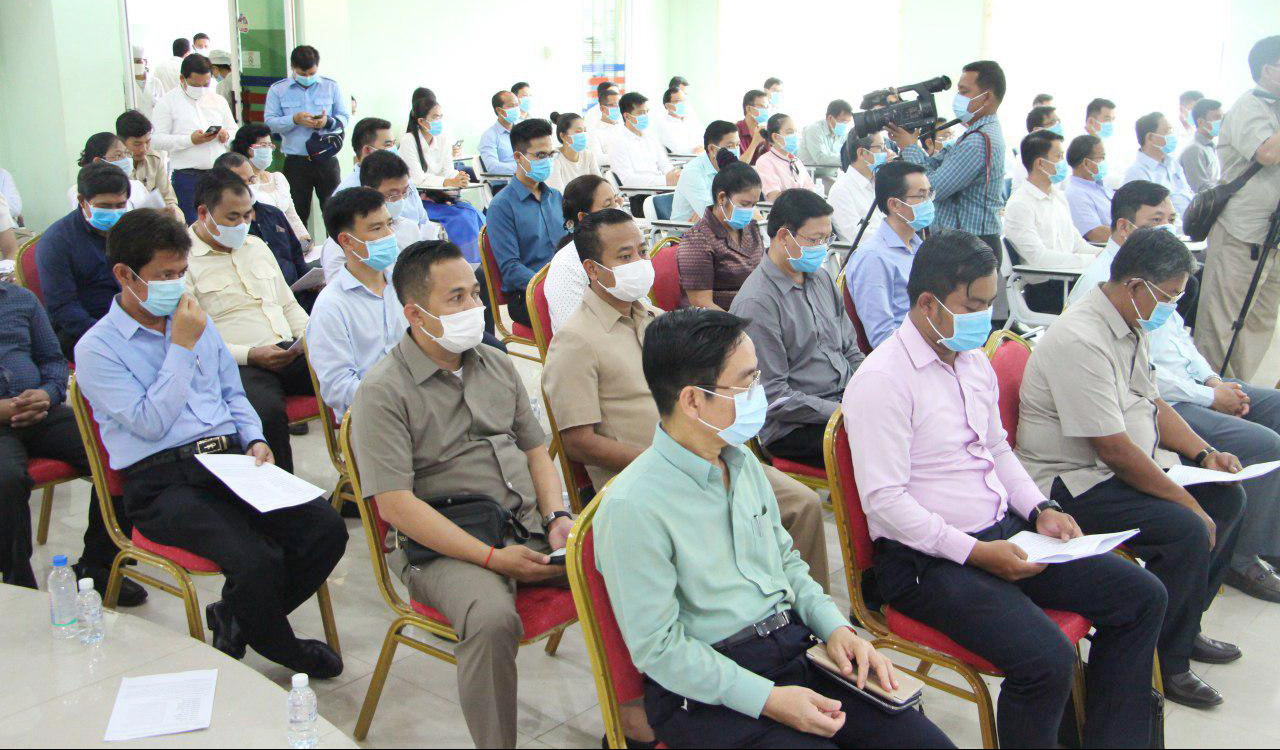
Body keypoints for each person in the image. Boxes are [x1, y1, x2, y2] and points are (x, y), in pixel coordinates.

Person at [845, 228, 1166, 747]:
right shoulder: (884, 379)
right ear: (927, 304)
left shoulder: (971, 360)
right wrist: (976, 554)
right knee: (1046, 660)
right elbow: (885, 505)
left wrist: (1040, 509)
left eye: (989, 304)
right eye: (972, 306)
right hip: (928, 561)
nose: (984, 318)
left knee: (1141, 596)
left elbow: (996, 449)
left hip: (1003, 533)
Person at [594, 306, 954, 750]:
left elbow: (786, 563)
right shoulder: (633, 507)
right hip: (706, 688)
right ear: (692, 400)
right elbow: (661, 650)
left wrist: (835, 629)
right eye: (746, 383)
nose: (758, 394)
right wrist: (768, 700)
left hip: (789, 646)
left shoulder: (740, 461)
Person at [75, 208, 346, 677]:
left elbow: (232, 393)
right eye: (164, 275)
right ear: (124, 275)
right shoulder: (98, 348)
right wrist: (180, 347)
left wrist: (254, 438)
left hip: (228, 461)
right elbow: (150, 423)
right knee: (255, 558)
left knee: (325, 528)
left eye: (181, 272)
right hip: (161, 482)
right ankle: (284, 648)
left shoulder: (195, 322)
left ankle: (235, 615)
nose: (177, 285)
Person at [349, 239, 569, 748]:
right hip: (447, 543)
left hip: (527, 522)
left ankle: (635, 723)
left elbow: (536, 451)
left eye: (474, 293)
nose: (474, 307)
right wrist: (493, 559)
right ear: (415, 313)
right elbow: (396, 506)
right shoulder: (383, 391)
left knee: (630, 562)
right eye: (456, 298)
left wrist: (557, 516)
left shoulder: (494, 362)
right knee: (491, 619)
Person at [1017, 228, 1248, 708]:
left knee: (1227, 496)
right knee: (1186, 528)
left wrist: (1204, 455)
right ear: (1136, 286)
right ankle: (1169, 663)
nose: (1173, 306)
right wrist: (1186, 503)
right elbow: (1113, 450)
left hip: (1116, 472)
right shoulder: (1081, 338)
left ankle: (1182, 629)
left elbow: (1153, 403)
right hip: (1074, 485)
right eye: (1170, 295)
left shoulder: (1130, 324)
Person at [541, 207, 830, 589]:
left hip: (706, 454)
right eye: (625, 257)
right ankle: (755, 607)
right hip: (649, 475)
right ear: (593, 270)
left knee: (801, 503)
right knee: (741, 525)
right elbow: (577, 442)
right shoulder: (576, 341)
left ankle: (806, 612)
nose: (640, 263)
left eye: (641, 252)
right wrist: (669, 461)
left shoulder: (656, 319)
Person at [0, 275, 146, 606]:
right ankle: (16, 581)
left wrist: (47, 393)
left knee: (118, 452)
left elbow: (53, 360)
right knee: (6, 479)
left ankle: (99, 564)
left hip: (42, 413)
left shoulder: (21, 299)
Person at [182, 170, 311, 473]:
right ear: (203, 213)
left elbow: (288, 304)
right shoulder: (182, 260)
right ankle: (281, 494)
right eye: (232, 217)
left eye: (247, 215)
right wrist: (250, 355)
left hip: (288, 349)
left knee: (361, 382)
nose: (242, 224)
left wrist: (310, 338)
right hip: (238, 363)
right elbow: (194, 338)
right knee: (264, 413)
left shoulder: (256, 246)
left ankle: (362, 484)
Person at [731, 189, 862, 468]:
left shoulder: (822, 279)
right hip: (794, 426)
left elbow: (850, 350)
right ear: (783, 237)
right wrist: (843, 412)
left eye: (827, 239)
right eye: (814, 240)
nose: (822, 247)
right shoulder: (758, 303)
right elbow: (774, 396)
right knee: (880, 447)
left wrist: (869, 390)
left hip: (845, 403)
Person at [1195, 36, 1280, 381]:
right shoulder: (1249, 106)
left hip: (1272, 237)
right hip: (1240, 234)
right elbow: (1268, 153)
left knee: (1259, 324)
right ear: (1269, 70)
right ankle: (1212, 394)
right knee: (1223, 322)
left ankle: (1243, 393)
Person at [889, 60, 1007, 253]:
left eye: (964, 91)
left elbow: (932, 189)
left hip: (969, 248)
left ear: (987, 97)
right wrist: (910, 144)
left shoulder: (977, 141)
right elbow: (933, 167)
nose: (958, 98)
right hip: (967, 244)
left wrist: (909, 146)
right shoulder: (977, 134)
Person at [308, 187, 406, 416]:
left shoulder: (405, 284)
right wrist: (401, 398)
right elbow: (338, 388)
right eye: (376, 228)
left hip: (420, 404)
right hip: (371, 415)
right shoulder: (331, 306)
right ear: (347, 241)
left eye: (389, 224)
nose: (389, 235)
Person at [37, 163, 129, 358]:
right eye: (105, 206)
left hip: (131, 322)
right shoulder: (57, 241)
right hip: (85, 331)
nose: (114, 213)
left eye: (120, 205)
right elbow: (64, 308)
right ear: (82, 201)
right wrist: (111, 337)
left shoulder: (130, 229)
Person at [485, 118, 567, 328]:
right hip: (528, 295)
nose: (547, 161)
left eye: (550, 154)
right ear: (518, 157)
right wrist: (552, 285)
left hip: (564, 283)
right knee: (586, 317)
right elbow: (511, 269)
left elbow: (569, 247)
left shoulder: (555, 197)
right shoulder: (502, 206)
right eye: (540, 155)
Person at [844, 161, 931, 348]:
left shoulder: (919, 247)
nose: (929, 203)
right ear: (895, 205)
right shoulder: (873, 258)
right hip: (905, 354)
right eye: (921, 196)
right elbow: (882, 336)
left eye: (929, 194)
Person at [321, 150, 441, 282]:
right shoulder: (343, 242)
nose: (400, 200)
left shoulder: (409, 228)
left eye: (404, 192)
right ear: (369, 191)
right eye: (392, 194)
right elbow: (339, 287)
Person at [264, 45, 350, 225]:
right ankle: (301, 244)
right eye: (303, 73)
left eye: (312, 73)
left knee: (335, 212)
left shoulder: (331, 86)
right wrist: (294, 119)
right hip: (296, 162)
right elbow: (270, 123)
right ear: (293, 68)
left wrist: (327, 122)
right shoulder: (278, 89)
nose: (308, 77)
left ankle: (336, 243)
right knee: (296, 213)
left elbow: (344, 117)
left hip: (326, 159)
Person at [150, 53, 237, 222]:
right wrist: (189, 140)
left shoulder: (217, 100)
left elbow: (234, 129)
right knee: (193, 224)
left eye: (206, 84)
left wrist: (226, 135)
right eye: (196, 85)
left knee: (222, 222)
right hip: (188, 176)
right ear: (182, 79)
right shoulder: (167, 102)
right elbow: (157, 140)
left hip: (219, 173)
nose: (202, 89)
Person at [212, 153, 311, 299]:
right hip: (260, 299)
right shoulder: (225, 227)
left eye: (251, 180)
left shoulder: (274, 213)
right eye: (239, 182)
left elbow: (296, 254)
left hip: (297, 295)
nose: (248, 187)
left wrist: (310, 282)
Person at [1068, 180, 1175, 308]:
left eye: (1171, 220)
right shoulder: (1104, 282)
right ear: (1124, 227)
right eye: (1156, 220)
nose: (1167, 228)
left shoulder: (1147, 268)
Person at [1003, 131, 1098, 275]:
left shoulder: (1058, 197)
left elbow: (1077, 245)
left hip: (1071, 276)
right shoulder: (1020, 205)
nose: (1063, 162)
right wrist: (1091, 260)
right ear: (1040, 163)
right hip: (1048, 282)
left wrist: (1106, 255)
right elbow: (1039, 258)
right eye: (1059, 156)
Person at [678, 162, 764, 310]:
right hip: (720, 318)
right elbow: (700, 303)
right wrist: (740, 323)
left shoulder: (751, 228)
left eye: (753, 205)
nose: (750, 211)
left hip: (756, 309)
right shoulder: (696, 240)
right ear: (722, 198)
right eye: (745, 204)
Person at [544, 174, 624, 332]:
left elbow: (642, 305)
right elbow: (574, 333)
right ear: (583, 217)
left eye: (616, 201)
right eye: (608, 205)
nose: (617, 210)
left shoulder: (620, 248)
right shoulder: (566, 266)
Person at [229, 123, 312, 250]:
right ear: (247, 149)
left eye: (270, 145)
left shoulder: (278, 178)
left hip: (290, 246)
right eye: (263, 145)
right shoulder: (242, 184)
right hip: (261, 246)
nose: (268, 149)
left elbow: (291, 215)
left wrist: (305, 239)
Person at [116, 109, 184, 222]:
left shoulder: (154, 160)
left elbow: (168, 199)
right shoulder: (116, 164)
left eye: (147, 142)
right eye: (137, 144)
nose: (144, 149)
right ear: (121, 142)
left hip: (154, 222)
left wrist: (175, 215)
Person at [63, 132, 156, 213]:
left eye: (126, 153)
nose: (126, 159)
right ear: (98, 161)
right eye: (118, 155)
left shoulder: (136, 186)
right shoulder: (78, 190)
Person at [1122, 112, 1194, 215]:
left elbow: (1187, 194)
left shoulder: (1173, 163)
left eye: (1171, 130)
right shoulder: (1137, 174)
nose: (1172, 135)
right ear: (1150, 137)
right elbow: (1152, 216)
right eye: (1167, 131)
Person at [610, 92, 681, 192]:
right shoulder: (618, 142)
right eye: (640, 113)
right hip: (641, 195)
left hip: (662, 189)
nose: (645, 116)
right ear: (627, 116)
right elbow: (628, 180)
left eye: (646, 112)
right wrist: (664, 180)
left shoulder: (650, 137)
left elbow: (665, 166)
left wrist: (675, 175)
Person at [671, 120, 739, 222]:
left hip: (717, 226)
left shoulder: (732, 169)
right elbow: (714, 215)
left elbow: (741, 203)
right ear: (712, 149)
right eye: (729, 146)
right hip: (686, 230)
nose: (735, 150)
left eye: (737, 145)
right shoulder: (693, 172)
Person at [401, 91, 470, 190]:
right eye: (435, 117)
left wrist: (460, 178)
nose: (439, 121)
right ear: (421, 121)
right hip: (420, 194)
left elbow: (449, 172)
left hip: (440, 193)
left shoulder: (443, 138)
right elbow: (418, 179)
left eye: (440, 117)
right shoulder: (408, 141)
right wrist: (448, 182)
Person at [829, 131, 888, 243]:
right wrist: (895, 236)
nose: (886, 152)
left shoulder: (877, 183)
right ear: (861, 153)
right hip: (872, 250)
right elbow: (857, 236)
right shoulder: (841, 190)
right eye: (880, 148)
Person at [755, 114, 818, 201]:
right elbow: (773, 196)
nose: (795, 136)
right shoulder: (765, 161)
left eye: (796, 132)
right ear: (776, 137)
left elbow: (811, 190)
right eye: (790, 132)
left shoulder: (796, 161)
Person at [1063, 134, 1112, 242]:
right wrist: (1132, 236)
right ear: (1086, 163)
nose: (1104, 162)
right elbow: (1095, 233)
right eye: (1101, 158)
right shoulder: (1075, 194)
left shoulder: (1100, 186)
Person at [798, 100, 853, 187]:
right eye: (843, 121)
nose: (845, 125)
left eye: (847, 122)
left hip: (829, 175)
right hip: (810, 177)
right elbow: (821, 158)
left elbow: (844, 153)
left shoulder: (842, 134)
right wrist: (847, 159)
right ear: (830, 118)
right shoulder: (814, 130)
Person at [547, 112, 604, 193]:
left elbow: (600, 185)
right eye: (578, 131)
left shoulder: (588, 155)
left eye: (584, 131)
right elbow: (558, 195)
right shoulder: (554, 159)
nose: (584, 135)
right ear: (563, 136)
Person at [1180, 97, 1224, 193]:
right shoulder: (1194, 150)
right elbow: (1202, 189)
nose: (1222, 121)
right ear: (1200, 122)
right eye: (1217, 118)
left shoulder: (1210, 146)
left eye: (1222, 117)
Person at [478, 90, 521, 176]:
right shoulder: (489, 136)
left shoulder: (524, 130)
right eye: (511, 106)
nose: (516, 109)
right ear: (499, 110)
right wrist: (523, 168)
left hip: (529, 179)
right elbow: (493, 167)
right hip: (507, 181)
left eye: (517, 105)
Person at [655, 86, 701, 155]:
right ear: (667, 105)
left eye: (684, 100)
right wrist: (694, 151)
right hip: (682, 160)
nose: (683, 103)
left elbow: (701, 142)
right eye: (678, 101)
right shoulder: (664, 125)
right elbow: (676, 150)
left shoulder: (689, 122)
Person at [586, 82, 622, 165]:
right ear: (602, 108)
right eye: (613, 105)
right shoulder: (594, 130)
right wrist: (623, 157)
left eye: (618, 105)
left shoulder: (623, 126)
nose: (617, 108)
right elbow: (597, 159)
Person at [737, 89, 772, 164]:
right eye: (762, 107)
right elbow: (735, 166)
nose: (766, 111)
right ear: (749, 109)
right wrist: (755, 142)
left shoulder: (767, 130)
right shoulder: (735, 131)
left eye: (767, 107)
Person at [130, 44, 160, 118]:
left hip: (153, 121)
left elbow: (163, 105)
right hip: (133, 122)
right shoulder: (127, 83)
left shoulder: (155, 82)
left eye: (138, 61)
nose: (135, 64)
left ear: (145, 62)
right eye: (133, 62)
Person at [209, 49, 237, 122]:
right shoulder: (237, 76)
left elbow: (220, 111)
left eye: (212, 71)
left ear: (215, 68)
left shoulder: (222, 85)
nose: (212, 75)